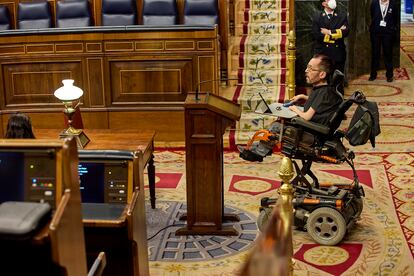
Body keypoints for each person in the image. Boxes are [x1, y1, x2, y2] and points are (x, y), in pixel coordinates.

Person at [238, 54, 343, 161]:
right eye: (307, 67)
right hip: (313, 129)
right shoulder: (325, 89)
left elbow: (307, 117)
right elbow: (320, 103)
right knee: (279, 122)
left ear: (322, 74)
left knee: (276, 127)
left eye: (311, 69)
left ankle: (258, 153)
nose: (306, 70)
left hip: (312, 134)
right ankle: (258, 147)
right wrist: (302, 97)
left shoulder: (322, 92)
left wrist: (294, 108)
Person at [312, 0, 349, 90]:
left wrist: (328, 32)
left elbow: (346, 32)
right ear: (324, 4)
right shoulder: (318, 17)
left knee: (338, 79)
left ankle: (338, 100)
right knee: (323, 80)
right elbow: (317, 35)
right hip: (323, 52)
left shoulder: (342, 16)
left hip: (338, 52)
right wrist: (336, 33)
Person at [369, 0, 398, 82]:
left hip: (388, 33)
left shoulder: (393, 4)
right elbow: (372, 15)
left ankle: (389, 75)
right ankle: (373, 74)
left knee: (388, 54)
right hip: (375, 33)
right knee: (375, 54)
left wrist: (392, 29)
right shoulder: (374, 3)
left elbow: (395, 19)